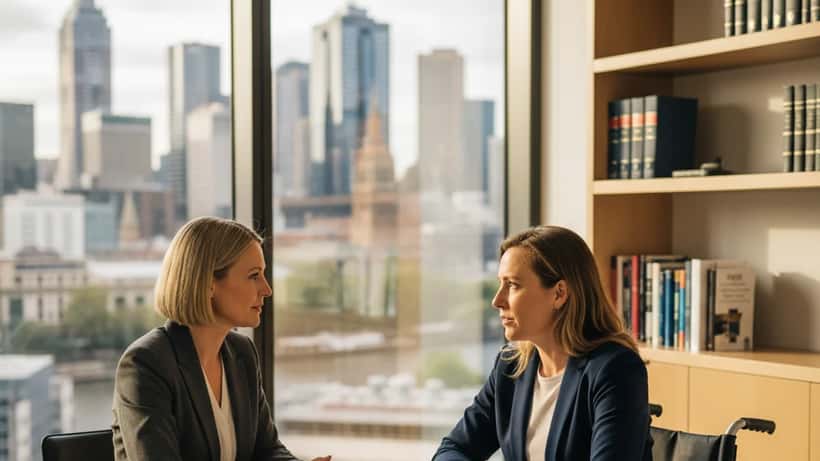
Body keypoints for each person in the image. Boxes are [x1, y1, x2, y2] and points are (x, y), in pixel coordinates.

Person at [112, 217, 330, 461]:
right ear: (209, 284)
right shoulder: (146, 364)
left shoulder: (242, 352)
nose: (266, 289)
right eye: (253, 275)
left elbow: (267, 450)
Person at [433, 226, 651, 461]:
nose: (497, 300)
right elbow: (453, 449)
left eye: (513, 285)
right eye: (500, 283)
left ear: (559, 294)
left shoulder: (615, 370)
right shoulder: (511, 366)